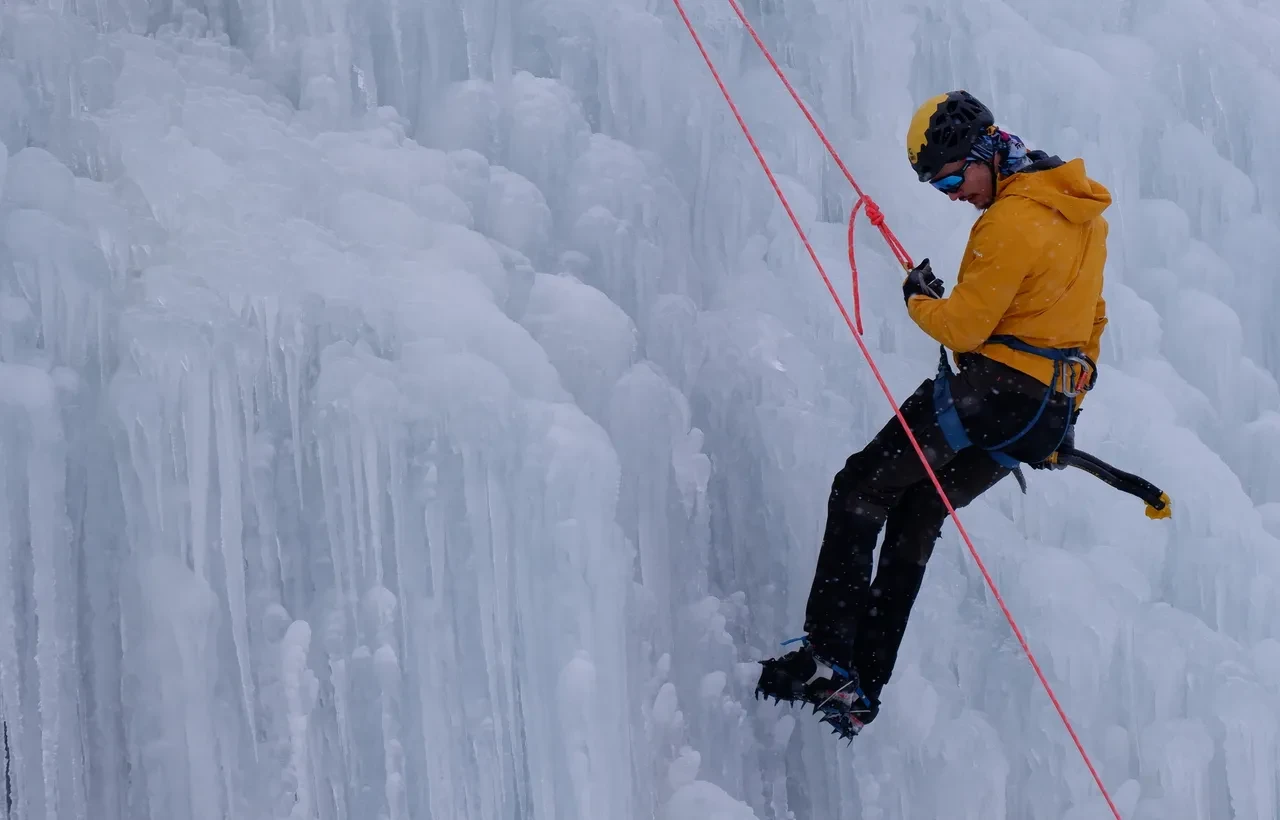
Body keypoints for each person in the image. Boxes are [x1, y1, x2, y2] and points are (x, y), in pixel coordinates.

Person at [754, 90, 1112, 740]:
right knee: (918, 510)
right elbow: (1094, 323)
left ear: (983, 154)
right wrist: (1064, 407)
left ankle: (827, 658)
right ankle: (861, 688)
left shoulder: (1009, 220)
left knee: (860, 487)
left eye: (952, 177)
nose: (951, 194)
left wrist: (919, 298)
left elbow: (965, 329)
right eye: (938, 184)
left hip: (989, 394)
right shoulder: (1083, 217)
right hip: (1047, 416)